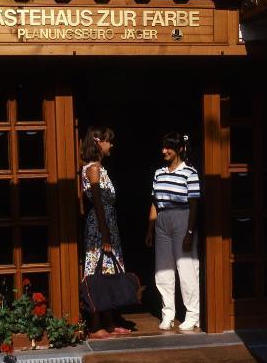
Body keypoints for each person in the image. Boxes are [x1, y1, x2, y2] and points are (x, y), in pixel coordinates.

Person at [145, 132, 201, 331]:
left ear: (180, 149)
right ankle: (168, 313)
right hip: (163, 219)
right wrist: (150, 229)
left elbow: (194, 205)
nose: (164, 151)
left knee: (186, 269)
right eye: (163, 147)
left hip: (182, 217)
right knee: (163, 270)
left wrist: (190, 231)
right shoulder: (159, 173)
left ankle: (192, 314)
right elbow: (154, 202)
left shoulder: (190, 173)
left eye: (169, 147)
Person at [80, 126, 132, 338]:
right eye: (109, 141)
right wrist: (105, 233)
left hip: (108, 223)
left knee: (109, 271)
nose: (111, 145)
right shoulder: (92, 169)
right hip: (100, 226)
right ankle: (95, 324)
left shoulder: (101, 168)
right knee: (97, 271)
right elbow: (98, 202)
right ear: (98, 142)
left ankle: (109, 322)